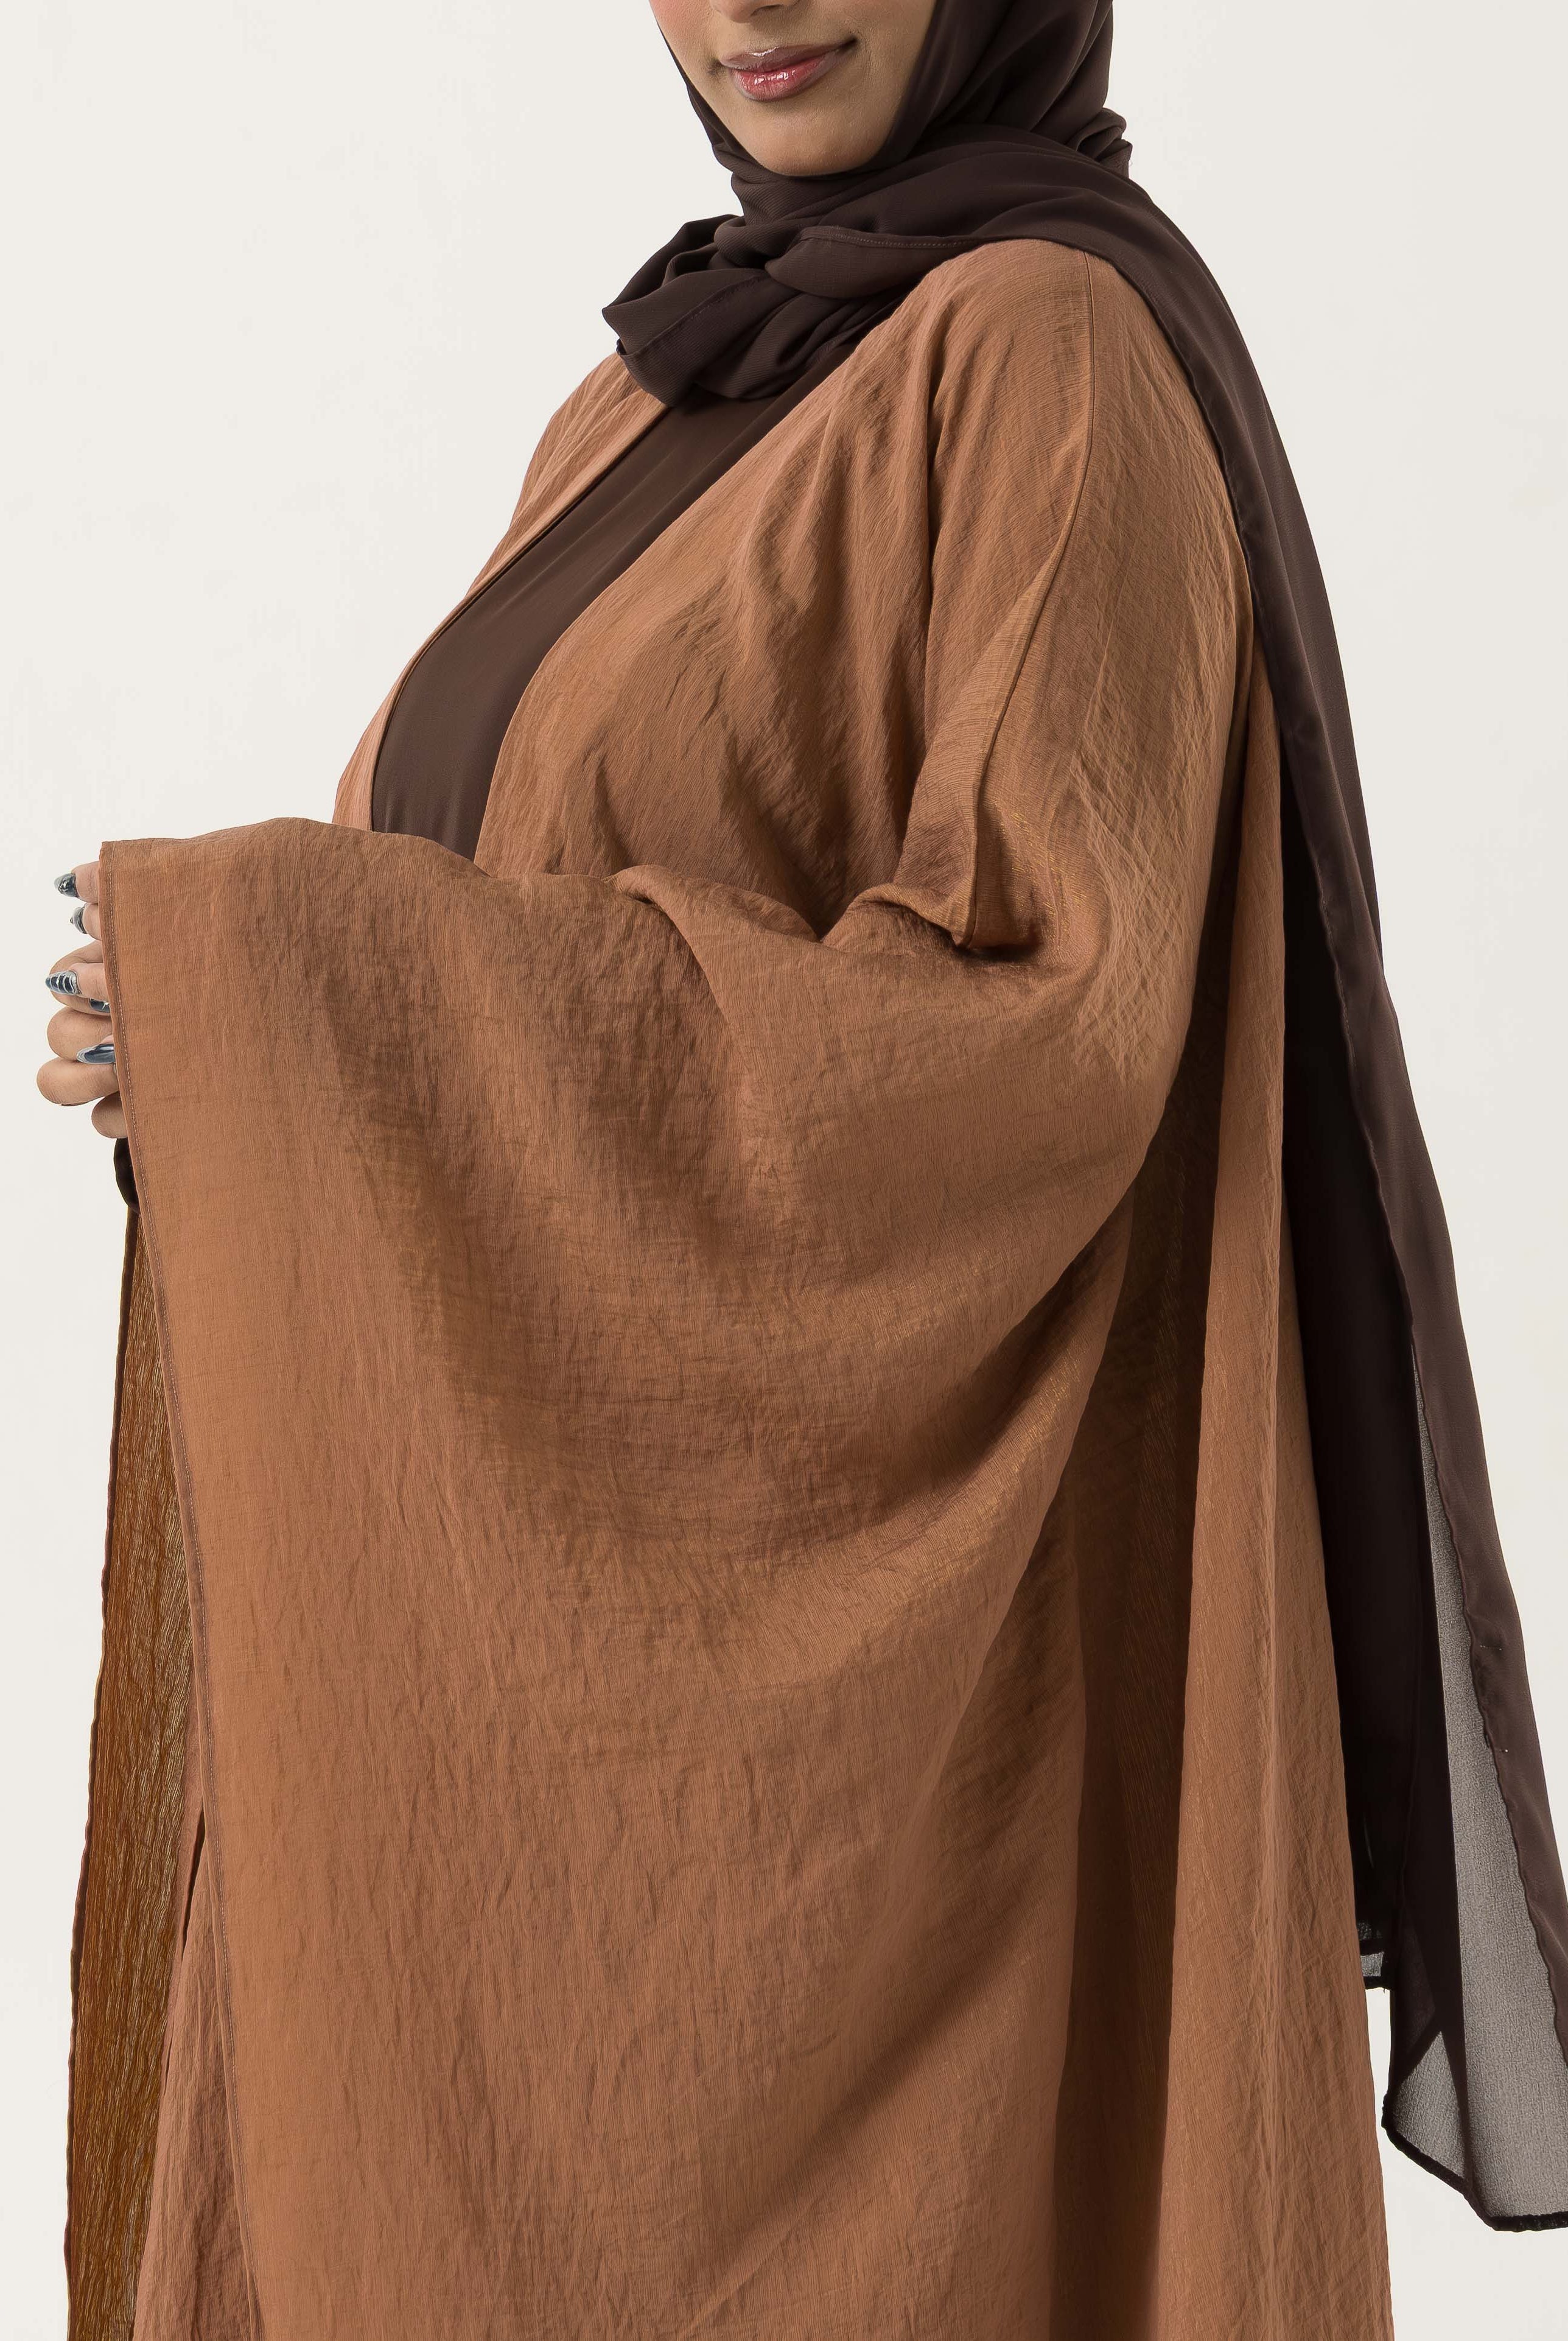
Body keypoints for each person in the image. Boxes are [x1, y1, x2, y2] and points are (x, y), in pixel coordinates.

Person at [38, 3, 1568, 2334]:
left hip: (873, 1871)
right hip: (546, 1774)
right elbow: (490, 971)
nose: (753, 4)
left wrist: (308, 999)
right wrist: (255, 1080)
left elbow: (1034, 1042)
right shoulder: (652, 397)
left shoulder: (1046, 353)